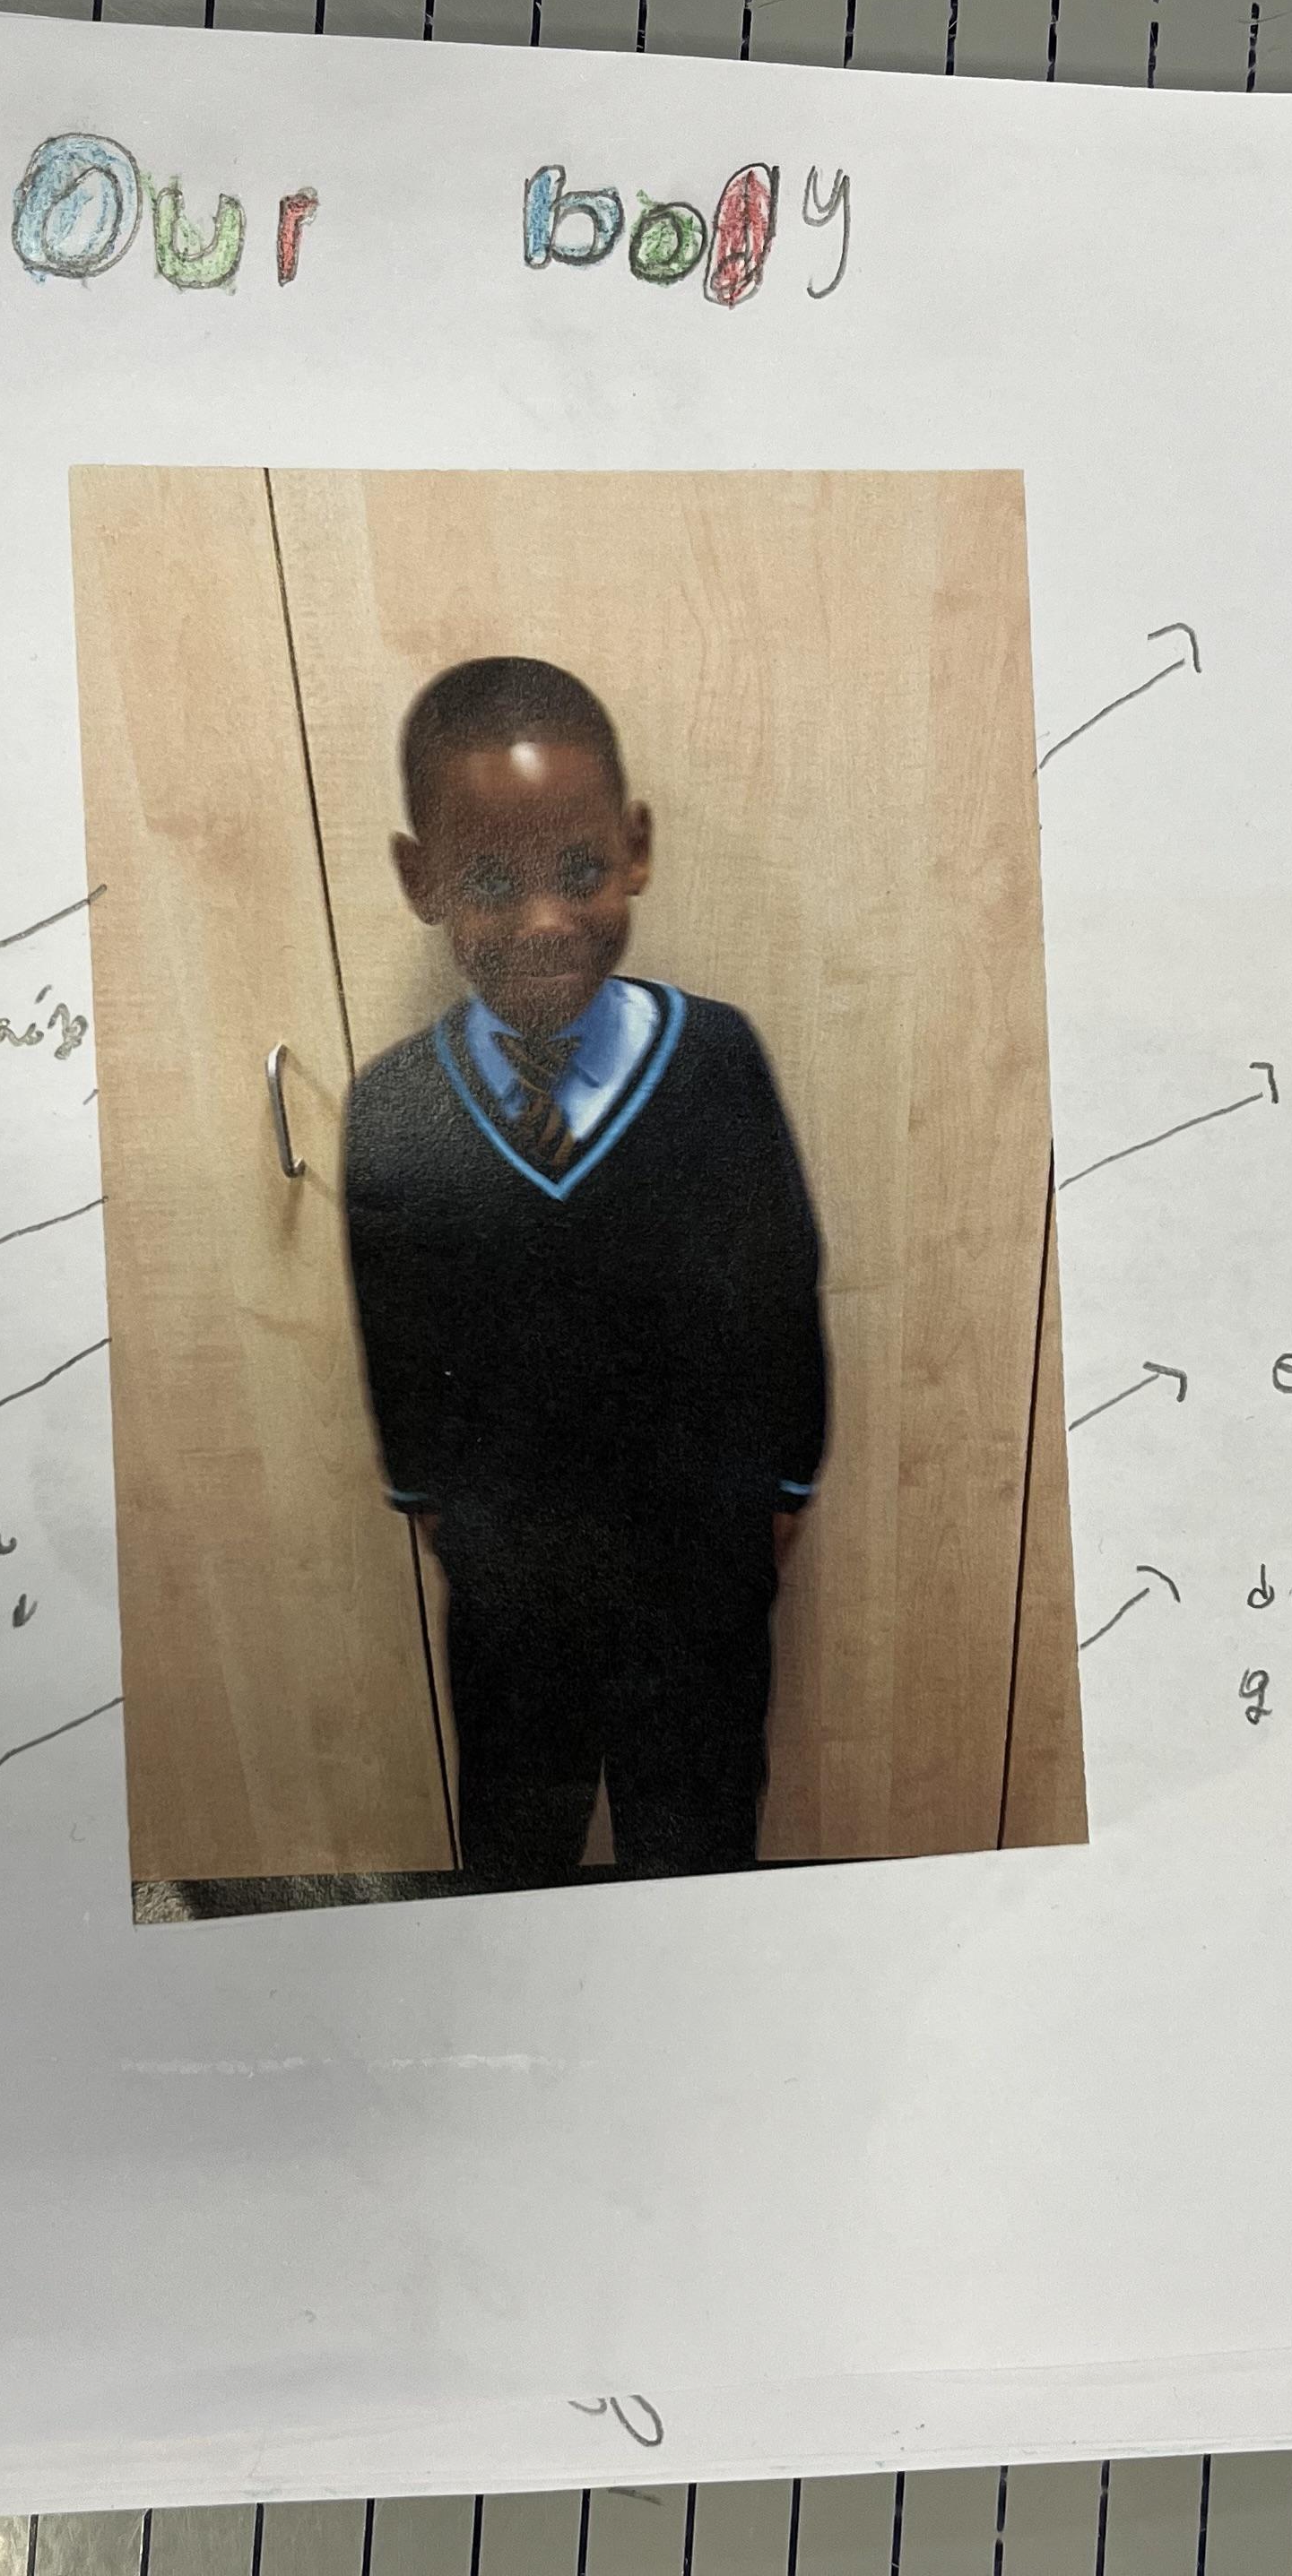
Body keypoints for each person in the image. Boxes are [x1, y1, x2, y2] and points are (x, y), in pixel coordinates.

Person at [341, 656, 828, 1889]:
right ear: (420, 879)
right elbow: (396, 1329)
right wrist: (431, 1501)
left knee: (699, 1826)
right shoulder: (394, 1107)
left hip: (701, 1564)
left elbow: (783, 1282)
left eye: (580, 870)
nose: (547, 921)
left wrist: (783, 1481)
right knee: (517, 1833)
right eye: (489, 882)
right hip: (509, 1579)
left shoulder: (716, 1060)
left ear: (636, 850)